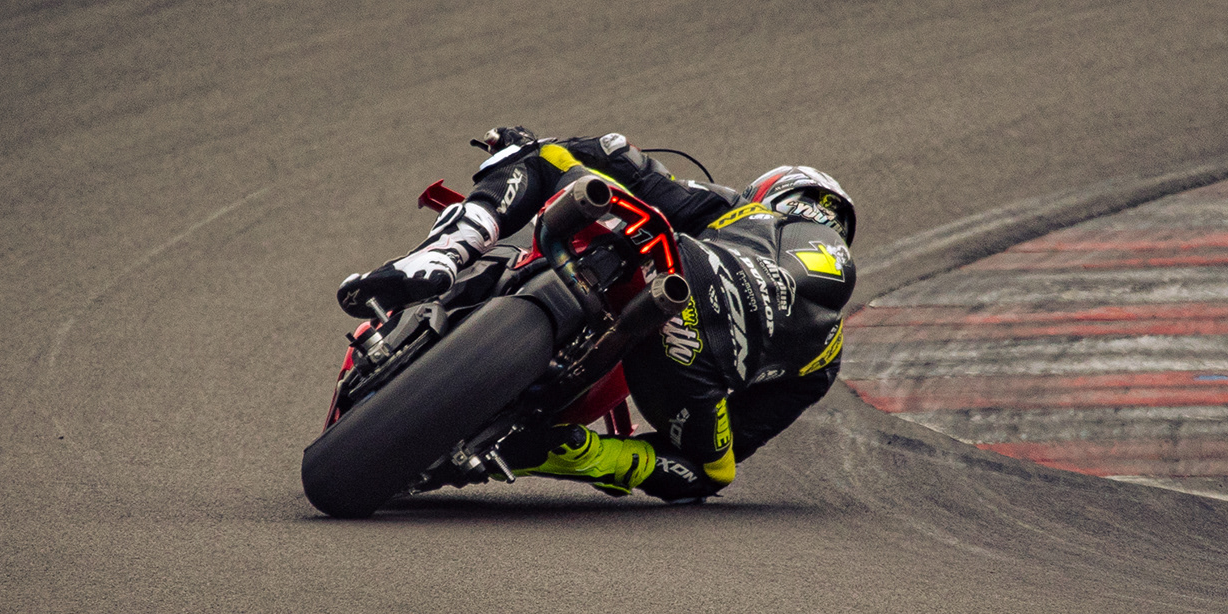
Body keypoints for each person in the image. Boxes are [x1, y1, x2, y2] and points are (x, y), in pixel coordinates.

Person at [336, 127, 857, 502]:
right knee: (711, 471)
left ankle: (442, 255)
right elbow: (734, 447)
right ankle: (573, 452)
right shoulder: (827, 354)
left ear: (769, 193)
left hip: (687, 270)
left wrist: (523, 144)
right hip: (692, 366)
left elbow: (622, 158)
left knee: (545, 156)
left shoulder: (734, 209)